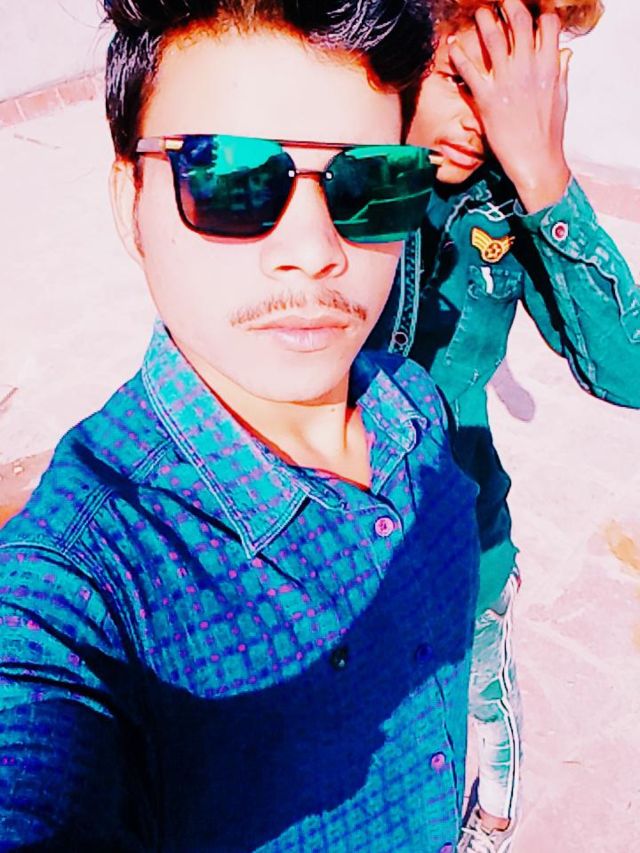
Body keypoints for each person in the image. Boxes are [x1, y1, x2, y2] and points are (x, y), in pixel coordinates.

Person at [0, 1, 483, 850]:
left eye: (369, 181)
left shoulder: (412, 407)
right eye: (230, 177)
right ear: (130, 200)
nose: (315, 250)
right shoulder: (83, 584)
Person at [370, 0, 640, 849]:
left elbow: (626, 368)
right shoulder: (347, 175)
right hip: (347, 552)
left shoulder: (505, 205)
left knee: (481, 694)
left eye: (506, 97)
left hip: (467, 539)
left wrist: (544, 180)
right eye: (459, 80)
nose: (477, 122)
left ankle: (493, 817)